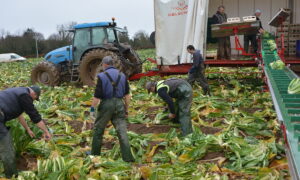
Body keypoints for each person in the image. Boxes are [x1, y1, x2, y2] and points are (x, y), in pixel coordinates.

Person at [0, 86, 52, 178]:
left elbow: (19, 115)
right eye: (35, 99)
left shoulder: (18, 91)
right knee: (7, 148)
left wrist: (28, 129)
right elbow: (35, 116)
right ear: (34, 94)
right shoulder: (25, 95)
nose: (33, 101)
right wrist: (46, 132)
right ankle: (11, 175)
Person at [90, 56, 134, 162]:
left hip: (106, 104)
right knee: (122, 131)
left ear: (105, 64)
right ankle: (128, 158)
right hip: (119, 104)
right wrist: (126, 109)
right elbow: (127, 96)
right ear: (113, 64)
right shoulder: (122, 75)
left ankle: (95, 155)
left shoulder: (101, 76)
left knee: (98, 130)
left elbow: (97, 97)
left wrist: (92, 110)